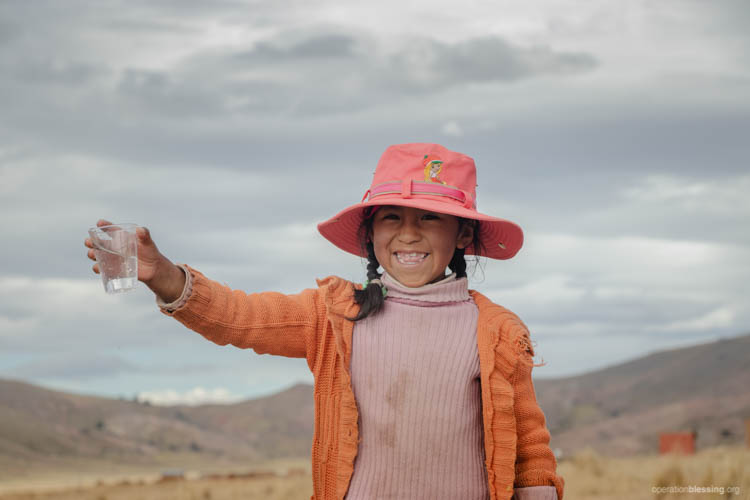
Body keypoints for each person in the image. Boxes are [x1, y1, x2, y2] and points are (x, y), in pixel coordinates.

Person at [85, 143, 564, 500]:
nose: (409, 234)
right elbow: (240, 318)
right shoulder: (336, 313)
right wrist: (163, 275)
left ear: (462, 233)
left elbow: (529, 447)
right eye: (391, 217)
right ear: (370, 234)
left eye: (430, 219)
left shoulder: (497, 329)